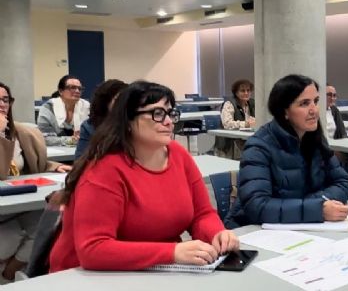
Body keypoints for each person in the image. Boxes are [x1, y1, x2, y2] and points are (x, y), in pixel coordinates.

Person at [49, 81, 238, 272]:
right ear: (128, 120)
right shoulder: (104, 169)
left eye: (170, 113)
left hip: (156, 269)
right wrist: (172, 252)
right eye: (157, 113)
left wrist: (216, 233)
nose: (168, 121)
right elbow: (93, 250)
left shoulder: (178, 155)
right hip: (87, 276)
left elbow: (201, 214)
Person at [225, 75, 348, 227]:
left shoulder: (316, 140)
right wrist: (316, 209)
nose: (314, 110)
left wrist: (313, 205)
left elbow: (342, 182)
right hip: (253, 232)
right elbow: (257, 206)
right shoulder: (259, 147)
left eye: (316, 101)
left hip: (302, 227)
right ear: (284, 111)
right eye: (304, 104)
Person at [0, 82, 71, 281]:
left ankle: (9, 276)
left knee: (52, 225)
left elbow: (31, 163)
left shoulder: (22, 132)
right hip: (4, 207)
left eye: (5, 99)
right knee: (12, 236)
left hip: (21, 201)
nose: (2, 104)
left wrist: (53, 166)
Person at [75, 79, 128, 159]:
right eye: (118, 100)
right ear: (106, 101)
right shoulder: (89, 126)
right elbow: (81, 159)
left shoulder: (133, 123)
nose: (123, 103)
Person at [37, 75, 90, 146]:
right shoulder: (48, 108)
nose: (77, 91)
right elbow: (44, 138)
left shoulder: (87, 107)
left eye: (80, 88)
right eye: (72, 88)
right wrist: (71, 140)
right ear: (61, 91)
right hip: (55, 152)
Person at [215, 79, 256, 159]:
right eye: (242, 91)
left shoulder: (252, 103)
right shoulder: (229, 104)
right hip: (229, 142)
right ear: (236, 93)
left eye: (248, 90)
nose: (246, 93)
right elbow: (227, 124)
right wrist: (245, 124)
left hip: (245, 139)